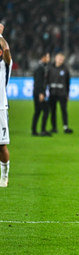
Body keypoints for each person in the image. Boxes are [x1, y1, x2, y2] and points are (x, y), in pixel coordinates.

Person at [47, 53, 73, 134]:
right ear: (55, 58)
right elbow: (47, 80)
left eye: (62, 59)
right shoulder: (50, 68)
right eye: (59, 58)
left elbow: (67, 82)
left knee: (64, 110)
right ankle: (54, 127)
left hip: (62, 93)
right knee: (53, 110)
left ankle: (65, 127)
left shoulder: (65, 69)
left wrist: (68, 93)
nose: (60, 60)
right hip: (52, 92)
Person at [0, 24, 13, 187]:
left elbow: (8, 50)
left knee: (1, 145)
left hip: (0, 108)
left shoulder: (5, 65)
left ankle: (4, 175)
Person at [31, 52, 51, 137]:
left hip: (37, 92)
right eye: (48, 57)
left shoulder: (39, 66)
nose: (49, 58)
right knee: (46, 110)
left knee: (38, 111)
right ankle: (42, 130)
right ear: (43, 57)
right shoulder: (40, 68)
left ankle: (34, 130)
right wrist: (41, 93)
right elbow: (39, 82)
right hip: (39, 93)